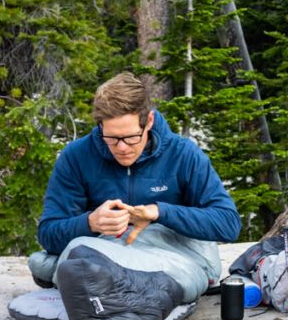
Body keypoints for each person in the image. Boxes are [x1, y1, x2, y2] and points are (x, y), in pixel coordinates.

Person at [35, 73, 242, 266]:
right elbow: (48, 234)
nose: (122, 148)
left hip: (168, 257)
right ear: (100, 126)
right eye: (112, 138)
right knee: (40, 263)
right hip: (103, 258)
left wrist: (160, 212)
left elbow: (228, 224)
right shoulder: (76, 156)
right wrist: (90, 223)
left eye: (131, 137)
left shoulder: (183, 154)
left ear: (149, 121)